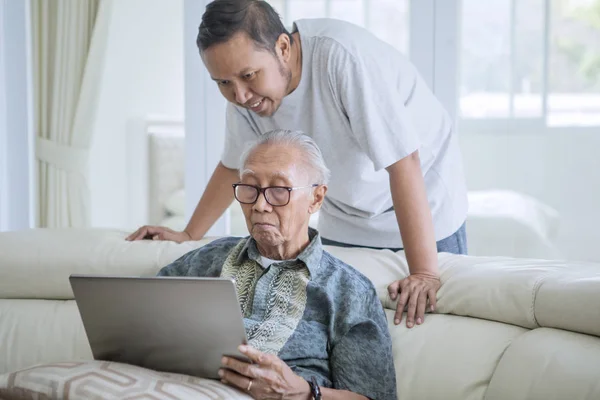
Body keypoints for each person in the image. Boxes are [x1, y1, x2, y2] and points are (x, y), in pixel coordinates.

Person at [128, 0, 468, 329]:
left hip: (425, 207)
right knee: (337, 321)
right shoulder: (247, 98)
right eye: (224, 83)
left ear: (283, 48)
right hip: (345, 214)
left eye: (249, 75)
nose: (240, 95)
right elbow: (233, 166)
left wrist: (424, 273)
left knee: (425, 323)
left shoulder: (342, 58)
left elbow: (403, 161)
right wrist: (189, 235)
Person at [156, 130, 397, 400]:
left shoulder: (348, 290)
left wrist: (306, 393)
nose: (259, 205)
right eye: (250, 187)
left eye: (279, 190)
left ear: (316, 198)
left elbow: (375, 397)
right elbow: (143, 316)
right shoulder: (209, 259)